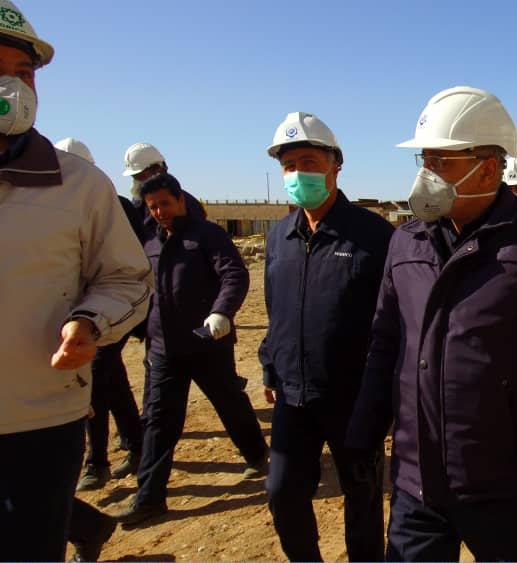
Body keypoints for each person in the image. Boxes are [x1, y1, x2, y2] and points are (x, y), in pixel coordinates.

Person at [347, 86, 517, 561]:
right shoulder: (406, 243)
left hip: (502, 485)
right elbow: (386, 345)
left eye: (440, 161)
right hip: (416, 484)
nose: (426, 174)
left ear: (487, 167)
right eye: (424, 160)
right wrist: (363, 434)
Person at [0, 2, 152, 559]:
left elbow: (129, 278)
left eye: (23, 73)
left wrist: (90, 322)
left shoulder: (80, 186)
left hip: (40, 420)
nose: (13, 88)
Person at [259, 112, 393, 561]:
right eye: (289, 165)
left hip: (353, 398)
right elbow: (276, 311)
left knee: (362, 496)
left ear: (336, 165)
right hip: (292, 395)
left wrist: (385, 392)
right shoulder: (279, 237)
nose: (298, 173)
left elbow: (393, 318)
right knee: (282, 491)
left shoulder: (373, 235)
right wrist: (270, 365)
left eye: (309, 162)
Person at [115, 172, 269, 526]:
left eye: (165, 204)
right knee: (159, 421)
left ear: (181, 200)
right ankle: (149, 498)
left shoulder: (207, 235)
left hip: (206, 343)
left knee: (229, 401)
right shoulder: (149, 242)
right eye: (153, 207)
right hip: (163, 349)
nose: (160, 212)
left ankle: (256, 453)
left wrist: (221, 312)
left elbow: (234, 275)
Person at [54, 137, 145, 490]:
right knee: (112, 379)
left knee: (95, 377)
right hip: (71, 313)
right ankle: (136, 444)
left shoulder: (113, 206)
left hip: (109, 310)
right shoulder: (51, 206)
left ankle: (97, 462)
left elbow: (132, 265)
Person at [122, 141, 206, 237]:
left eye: (141, 176)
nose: (138, 183)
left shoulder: (188, 204)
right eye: (135, 177)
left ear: (159, 170)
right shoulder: (138, 204)